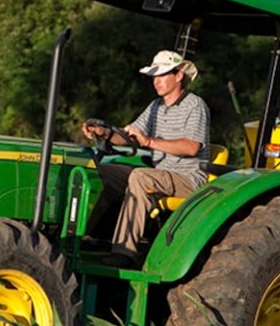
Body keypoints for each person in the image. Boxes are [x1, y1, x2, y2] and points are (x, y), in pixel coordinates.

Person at [82, 50, 211, 268]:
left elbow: (191, 147)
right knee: (101, 170)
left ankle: (124, 253)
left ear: (179, 75)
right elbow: (130, 136)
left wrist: (150, 142)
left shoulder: (195, 105)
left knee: (140, 177)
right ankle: (91, 237)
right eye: (154, 76)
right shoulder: (155, 107)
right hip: (161, 174)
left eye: (161, 75)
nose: (156, 81)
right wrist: (104, 133)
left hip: (187, 178)